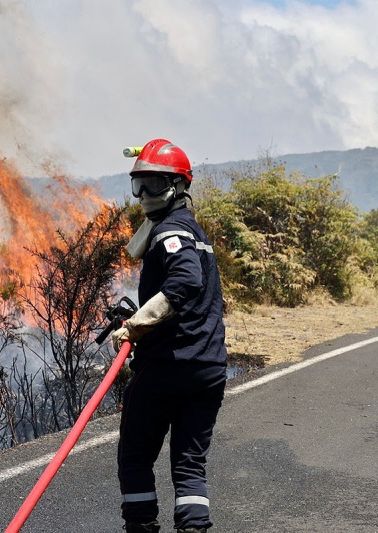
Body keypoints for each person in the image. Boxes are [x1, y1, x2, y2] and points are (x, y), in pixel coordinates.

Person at [111, 139, 228, 533]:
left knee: (135, 456)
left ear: (178, 187)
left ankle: (141, 526)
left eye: (155, 184)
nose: (144, 194)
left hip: (168, 367)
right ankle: (194, 528)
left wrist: (136, 324)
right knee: (189, 464)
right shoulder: (191, 229)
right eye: (138, 184)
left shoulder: (171, 233)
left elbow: (185, 281)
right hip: (208, 368)